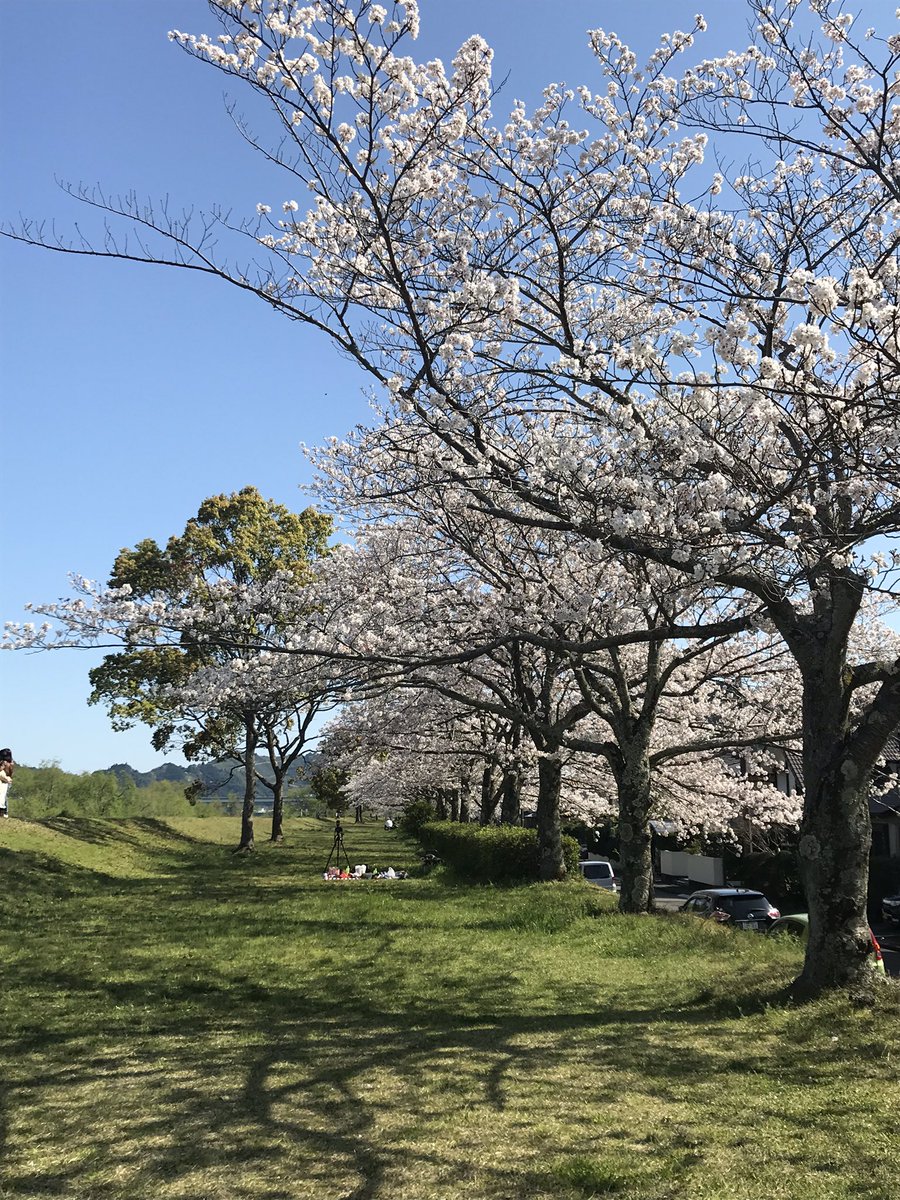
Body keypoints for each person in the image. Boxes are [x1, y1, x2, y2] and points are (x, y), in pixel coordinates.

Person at [0, 749, 13, 819]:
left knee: (4, 796)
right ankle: (4, 811)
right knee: (4, 796)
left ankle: (5, 812)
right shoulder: (10, 763)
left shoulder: (6, 763)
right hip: (6, 780)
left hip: (5, 781)